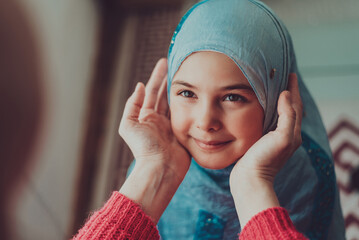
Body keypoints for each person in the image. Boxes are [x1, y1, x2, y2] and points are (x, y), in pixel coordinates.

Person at [74, 0, 345, 239]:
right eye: (187, 92)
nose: (206, 122)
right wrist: (152, 172)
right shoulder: (152, 168)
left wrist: (255, 181)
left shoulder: (309, 180)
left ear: (275, 100)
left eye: (233, 98)